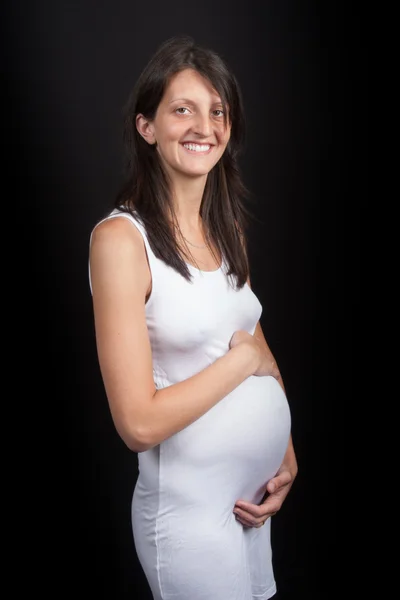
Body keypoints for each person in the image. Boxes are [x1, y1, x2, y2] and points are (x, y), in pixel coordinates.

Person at [88, 34, 298, 600]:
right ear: (146, 127)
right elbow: (137, 424)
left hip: (250, 508)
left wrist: (284, 451)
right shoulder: (120, 241)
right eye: (183, 109)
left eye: (216, 111)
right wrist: (245, 365)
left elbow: (250, 330)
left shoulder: (228, 233)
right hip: (188, 521)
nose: (203, 125)